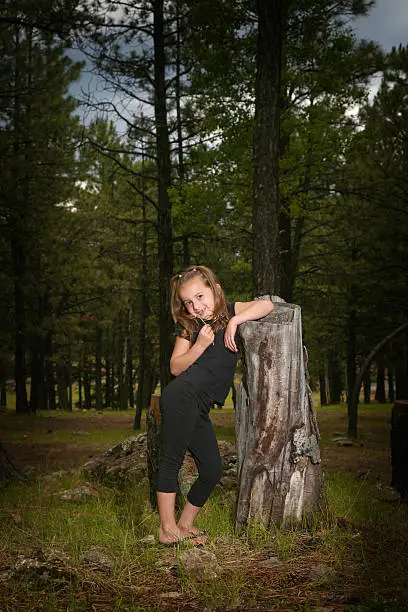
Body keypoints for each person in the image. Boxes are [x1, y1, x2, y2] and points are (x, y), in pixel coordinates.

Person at [156, 265, 274, 546]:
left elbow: (267, 304)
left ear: (216, 289)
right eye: (188, 302)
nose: (196, 306)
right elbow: (174, 367)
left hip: (200, 405)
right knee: (171, 460)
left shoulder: (231, 311)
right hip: (182, 396)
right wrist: (199, 347)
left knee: (211, 470)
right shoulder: (190, 326)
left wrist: (235, 321)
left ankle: (185, 525)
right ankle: (167, 529)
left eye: (200, 296)